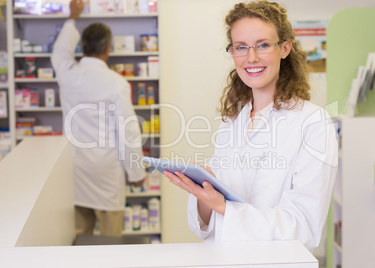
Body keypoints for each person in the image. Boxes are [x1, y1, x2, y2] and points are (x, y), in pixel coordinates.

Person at [163, 0, 337, 251]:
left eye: (263, 45)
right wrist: (204, 194)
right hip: (224, 258)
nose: (251, 57)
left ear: (285, 48)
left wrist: (224, 207)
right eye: (241, 47)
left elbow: (304, 227)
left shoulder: (313, 123)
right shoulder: (233, 121)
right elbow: (209, 224)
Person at [51, 0, 146, 237]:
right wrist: (136, 173)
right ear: (108, 49)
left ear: (82, 46)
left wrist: (73, 17)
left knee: (76, 236)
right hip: (105, 170)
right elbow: (128, 132)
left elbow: (60, 51)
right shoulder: (116, 83)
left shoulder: (67, 74)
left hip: (75, 167)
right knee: (110, 241)